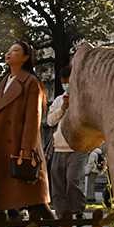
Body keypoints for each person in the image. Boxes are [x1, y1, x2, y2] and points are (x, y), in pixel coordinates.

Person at [0, 42, 54, 224]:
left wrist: (26, 148)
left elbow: (33, 119)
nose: (9, 53)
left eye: (15, 50)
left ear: (25, 58)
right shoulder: (4, 82)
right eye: (8, 50)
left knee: (36, 202)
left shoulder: (31, 82)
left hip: (17, 149)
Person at [46, 66, 90, 218]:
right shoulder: (59, 100)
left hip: (78, 147)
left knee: (73, 180)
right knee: (57, 186)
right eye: (63, 81)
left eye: (68, 81)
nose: (66, 84)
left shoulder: (85, 99)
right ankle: (62, 215)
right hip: (59, 148)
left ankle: (77, 210)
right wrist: (63, 108)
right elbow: (50, 121)